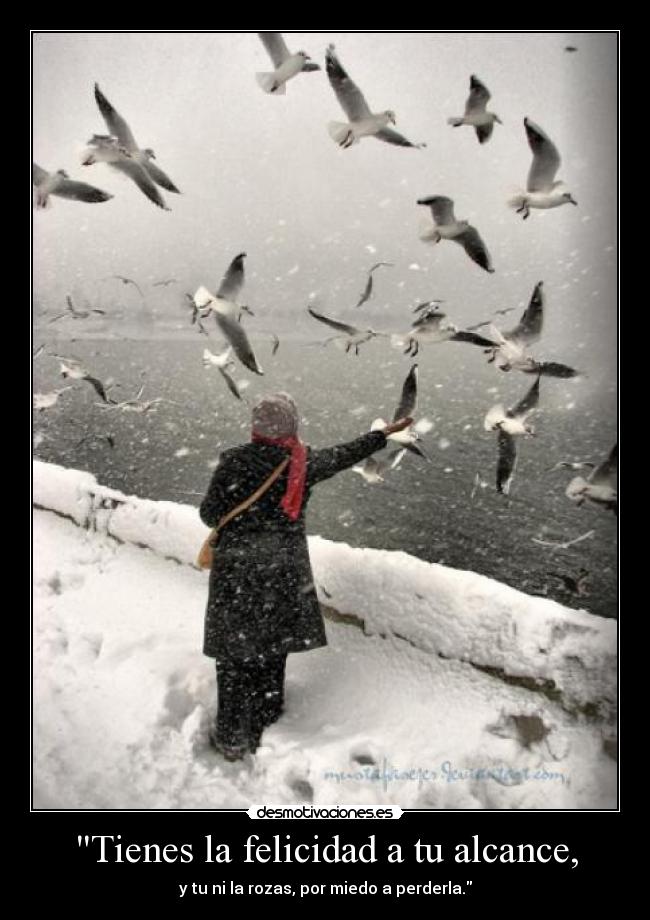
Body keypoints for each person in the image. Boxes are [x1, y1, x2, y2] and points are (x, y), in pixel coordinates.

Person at [199, 392, 413, 761]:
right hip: (280, 574)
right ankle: (265, 722)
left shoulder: (233, 461)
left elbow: (209, 514)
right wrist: (380, 436)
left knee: (235, 656)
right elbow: (346, 455)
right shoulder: (302, 463)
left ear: (257, 426)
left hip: (235, 575)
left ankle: (233, 736)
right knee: (271, 649)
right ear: (291, 426)